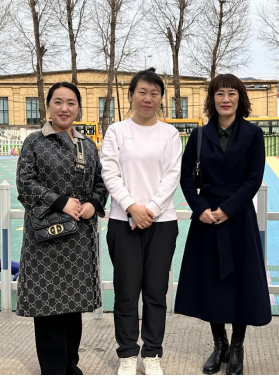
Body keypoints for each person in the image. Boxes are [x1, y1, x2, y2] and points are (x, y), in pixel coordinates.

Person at [175, 74, 272, 376]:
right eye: (219, 94)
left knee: (241, 281)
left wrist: (228, 210)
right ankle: (220, 344)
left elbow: (253, 178)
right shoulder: (199, 136)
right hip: (207, 218)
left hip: (238, 217)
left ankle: (238, 345)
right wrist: (201, 208)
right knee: (212, 282)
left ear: (240, 98)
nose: (225, 99)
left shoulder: (253, 134)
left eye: (231, 93)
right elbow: (186, 179)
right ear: (212, 99)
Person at [16, 82, 109, 375]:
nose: (64, 108)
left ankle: (71, 365)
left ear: (78, 108)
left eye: (71, 102)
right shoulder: (34, 142)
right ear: (48, 106)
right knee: (47, 306)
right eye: (58, 102)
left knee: (72, 305)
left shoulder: (88, 145)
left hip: (78, 236)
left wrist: (93, 203)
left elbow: (101, 182)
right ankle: (53, 369)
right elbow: (25, 183)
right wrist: (60, 202)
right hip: (45, 238)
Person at [100, 68, 182, 376]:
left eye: (154, 93)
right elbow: (109, 173)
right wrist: (132, 207)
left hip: (162, 223)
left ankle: (152, 353)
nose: (148, 98)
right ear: (131, 95)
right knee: (126, 291)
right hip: (123, 221)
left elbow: (172, 175)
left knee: (155, 291)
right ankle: (126, 354)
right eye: (142, 92)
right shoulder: (117, 131)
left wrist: (150, 209)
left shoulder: (169, 134)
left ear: (161, 98)